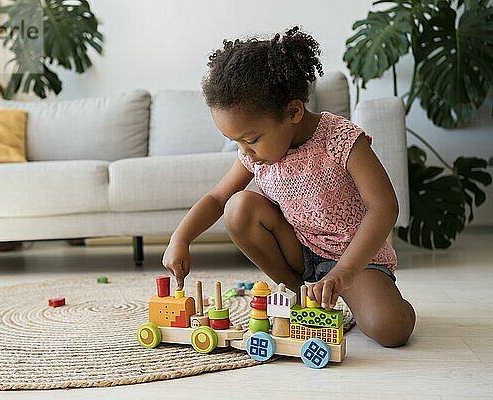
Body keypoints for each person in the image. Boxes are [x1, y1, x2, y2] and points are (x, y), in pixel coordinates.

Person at [162, 27, 415, 347]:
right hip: (300, 250)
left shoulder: (340, 138)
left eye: (251, 139)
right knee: (238, 207)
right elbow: (217, 197)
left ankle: (390, 302)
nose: (245, 150)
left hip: (354, 257)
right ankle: (296, 290)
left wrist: (345, 272)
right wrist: (180, 237)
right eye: (236, 141)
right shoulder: (254, 155)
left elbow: (384, 206)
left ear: (293, 112)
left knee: (390, 329)